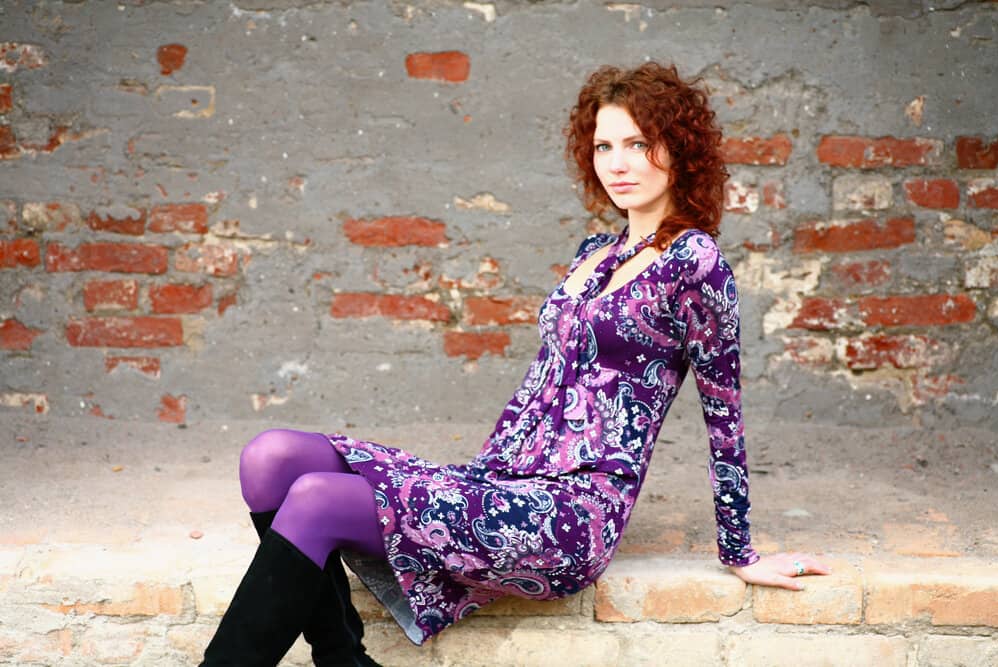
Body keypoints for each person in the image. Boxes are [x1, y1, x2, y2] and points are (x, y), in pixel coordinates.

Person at [200, 61, 831, 667]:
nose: (618, 163)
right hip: (503, 485)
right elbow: (541, 385)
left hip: (571, 516)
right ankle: (344, 659)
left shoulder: (696, 263)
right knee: (270, 458)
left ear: (680, 150)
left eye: (638, 144)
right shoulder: (594, 253)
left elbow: (725, 413)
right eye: (604, 145)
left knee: (314, 498)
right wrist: (473, 485)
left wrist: (739, 550)